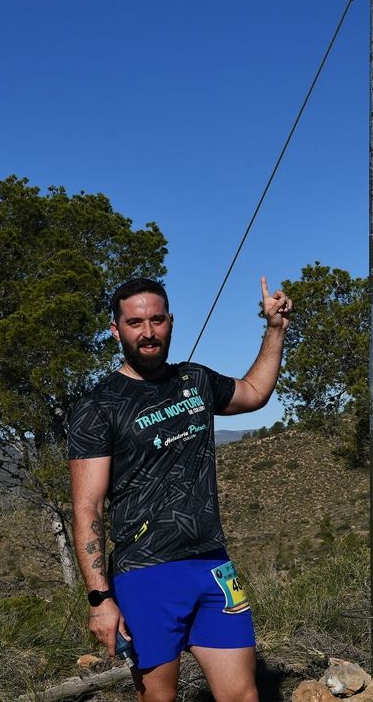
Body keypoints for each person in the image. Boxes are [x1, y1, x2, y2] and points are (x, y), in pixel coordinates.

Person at [68, 276, 292, 702]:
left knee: (243, 696)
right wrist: (100, 599)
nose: (147, 332)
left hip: (212, 566)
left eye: (157, 320)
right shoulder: (98, 407)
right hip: (146, 574)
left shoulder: (196, 380)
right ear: (116, 330)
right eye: (135, 323)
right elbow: (88, 507)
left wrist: (275, 329)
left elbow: (255, 392)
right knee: (159, 699)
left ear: (171, 322)